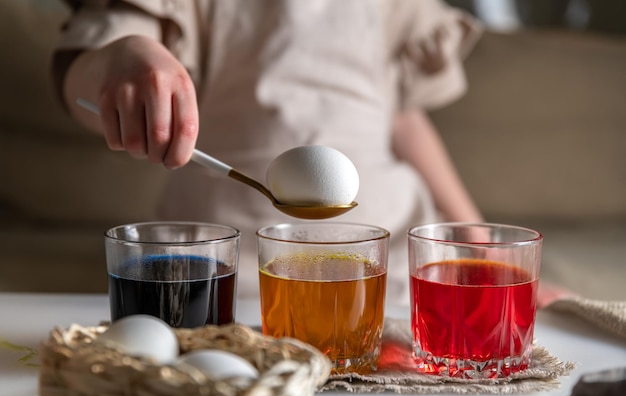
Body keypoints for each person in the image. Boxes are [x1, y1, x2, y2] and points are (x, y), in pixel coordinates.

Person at [52, 0, 484, 304]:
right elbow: (90, 69)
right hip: (225, 266)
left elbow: (402, 118)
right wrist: (121, 61)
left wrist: (481, 248)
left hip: (390, 265)